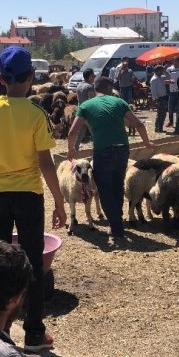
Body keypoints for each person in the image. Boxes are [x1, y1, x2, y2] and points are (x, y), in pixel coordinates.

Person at [0, 46, 67, 352]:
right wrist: (60, 201)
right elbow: (45, 162)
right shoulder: (35, 113)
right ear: (31, 77)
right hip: (29, 196)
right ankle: (34, 333)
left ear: (1, 78)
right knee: (32, 265)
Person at [67, 77, 154, 239]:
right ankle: (117, 219)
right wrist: (147, 143)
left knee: (105, 189)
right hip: (122, 150)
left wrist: (70, 150)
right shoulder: (119, 102)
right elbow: (139, 124)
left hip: (102, 151)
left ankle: (116, 226)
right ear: (107, 87)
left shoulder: (85, 105)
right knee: (117, 185)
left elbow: (72, 132)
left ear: (95, 89)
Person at [73, 68, 96, 150]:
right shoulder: (90, 87)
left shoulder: (79, 86)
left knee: (80, 132)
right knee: (95, 132)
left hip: (80, 112)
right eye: (93, 76)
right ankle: (99, 148)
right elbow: (92, 101)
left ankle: (75, 149)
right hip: (88, 113)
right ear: (90, 77)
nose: (94, 78)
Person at [149, 65, 169, 133]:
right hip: (159, 98)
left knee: (163, 114)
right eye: (161, 71)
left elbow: (169, 77)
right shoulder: (154, 79)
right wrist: (156, 99)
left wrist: (165, 72)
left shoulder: (160, 77)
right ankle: (158, 127)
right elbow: (153, 91)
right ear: (158, 71)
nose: (162, 72)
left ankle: (159, 127)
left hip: (163, 97)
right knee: (160, 114)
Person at [166, 58, 179, 128]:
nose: (176, 62)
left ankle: (178, 122)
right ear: (173, 61)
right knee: (170, 108)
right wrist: (169, 81)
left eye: (177, 61)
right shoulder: (169, 69)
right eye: (175, 61)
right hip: (171, 91)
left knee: (178, 108)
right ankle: (171, 122)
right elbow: (165, 78)